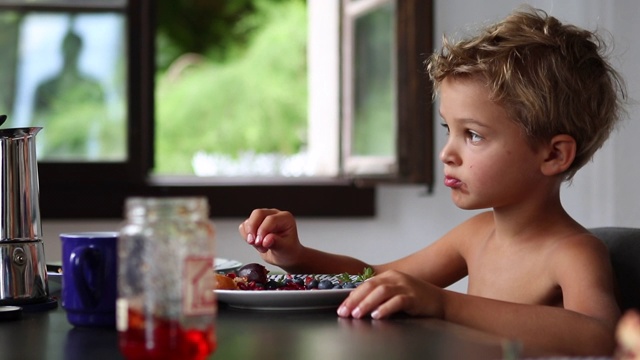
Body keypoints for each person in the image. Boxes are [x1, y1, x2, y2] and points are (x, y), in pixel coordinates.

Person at [238, 7, 626, 357]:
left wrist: (444, 304)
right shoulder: (476, 235)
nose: (447, 153)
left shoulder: (574, 252)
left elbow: (597, 335)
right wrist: (298, 256)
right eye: (448, 130)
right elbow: (375, 277)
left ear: (554, 155)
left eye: (473, 135)